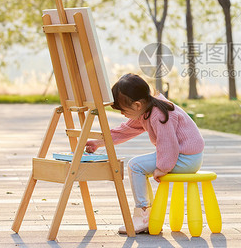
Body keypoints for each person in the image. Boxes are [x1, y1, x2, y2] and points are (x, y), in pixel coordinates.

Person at [85, 73, 205, 234]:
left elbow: (168, 144)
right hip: (184, 155)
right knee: (137, 165)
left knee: (135, 165)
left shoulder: (159, 114)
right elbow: (125, 131)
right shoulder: (148, 109)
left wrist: (163, 167)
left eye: (123, 110)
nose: (123, 114)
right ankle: (147, 213)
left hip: (186, 158)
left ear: (137, 105)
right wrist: (99, 142)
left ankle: (143, 215)